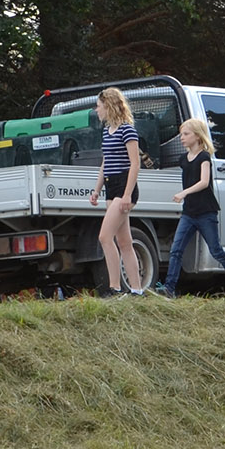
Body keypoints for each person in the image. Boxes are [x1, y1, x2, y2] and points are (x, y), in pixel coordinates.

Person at [161, 117, 225, 298]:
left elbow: (203, 182)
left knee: (216, 250)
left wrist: (184, 193)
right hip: (189, 213)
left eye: (186, 134)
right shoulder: (183, 159)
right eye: (181, 134)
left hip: (205, 213)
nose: (182, 138)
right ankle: (169, 288)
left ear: (197, 136)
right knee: (176, 250)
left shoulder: (204, 157)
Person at [87, 87, 144, 296]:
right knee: (124, 241)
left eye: (99, 106)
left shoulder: (127, 130)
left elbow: (135, 164)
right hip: (111, 186)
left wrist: (128, 194)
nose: (96, 110)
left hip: (124, 186)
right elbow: (106, 162)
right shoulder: (107, 131)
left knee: (104, 237)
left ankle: (115, 287)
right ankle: (137, 289)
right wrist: (96, 189)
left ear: (108, 106)